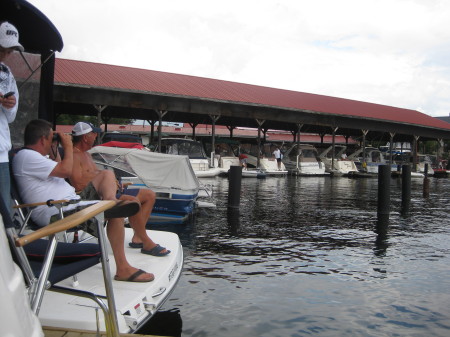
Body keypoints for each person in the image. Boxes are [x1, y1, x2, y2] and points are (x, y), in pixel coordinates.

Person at [13, 119, 154, 282]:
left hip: (69, 204)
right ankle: (123, 268)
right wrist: (67, 147)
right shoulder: (26, 156)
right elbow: (66, 171)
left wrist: (56, 150)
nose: (55, 140)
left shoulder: (37, 158)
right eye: (52, 137)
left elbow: (60, 166)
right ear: (43, 139)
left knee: (109, 180)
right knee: (115, 211)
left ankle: (111, 202)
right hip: (57, 211)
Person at [70, 121, 169, 256]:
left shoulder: (86, 154)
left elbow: (94, 175)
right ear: (86, 137)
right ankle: (146, 242)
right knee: (130, 202)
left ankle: (138, 237)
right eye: (94, 134)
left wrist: (112, 182)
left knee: (149, 195)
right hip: (96, 197)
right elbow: (77, 184)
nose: (96, 137)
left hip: (109, 192)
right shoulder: (74, 155)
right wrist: (104, 179)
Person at [0, 22, 22, 208]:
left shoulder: (8, 74)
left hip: (1, 153)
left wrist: (9, 105)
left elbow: (11, 117)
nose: (6, 55)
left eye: (10, 51)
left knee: (4, 210)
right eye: (2, 49)